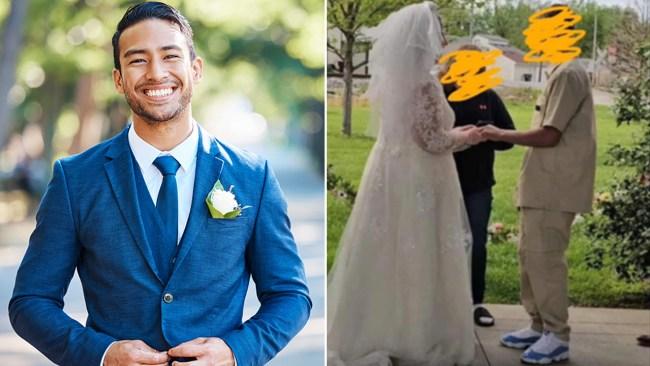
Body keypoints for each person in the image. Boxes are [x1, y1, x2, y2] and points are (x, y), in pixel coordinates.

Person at [8, 2, 311, 366]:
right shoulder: (75, 179)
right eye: (137, 60)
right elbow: (30, 302)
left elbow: (291, 295)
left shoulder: (252, 177)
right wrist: (101, 355)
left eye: (170, 56)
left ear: (195, 70)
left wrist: (235, 352)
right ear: (119, 79)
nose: (156, 73)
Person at [327, 2, 483, 365]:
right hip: (421, 179)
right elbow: (433, 141)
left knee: (387, 250)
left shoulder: (394, 80)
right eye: (438, 29)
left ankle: (379, 322)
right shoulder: (424, 85)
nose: (441, 37)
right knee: (421, 249)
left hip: (389, 171)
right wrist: (467, 135)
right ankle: (419, 331)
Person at [479, 27, 596, 364]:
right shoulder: (560, 72)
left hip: (556, 188)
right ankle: (538, 324)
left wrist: (499, 132)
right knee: (529, 257)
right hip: (541, 186)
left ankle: (557, 335)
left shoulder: (570, 74)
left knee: (545, 261)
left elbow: (549, 135)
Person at [441, 44, 516, 327]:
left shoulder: (489, 96)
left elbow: (508, 138)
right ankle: (443, 301)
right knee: (442, 242)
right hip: (443, 181)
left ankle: (476, 304)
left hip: (478, 184)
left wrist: (488, 134)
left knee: (476, 243)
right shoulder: (441, 95)